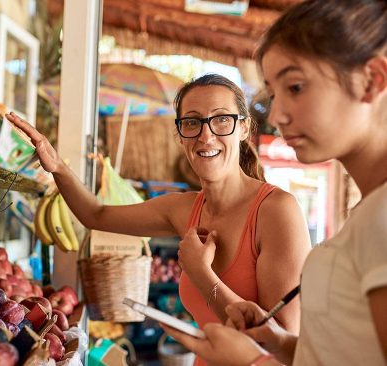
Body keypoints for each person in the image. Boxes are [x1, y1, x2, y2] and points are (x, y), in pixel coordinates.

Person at [7, 73, 310, 365]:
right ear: (180, 134)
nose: (206, 135)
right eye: (192, 122)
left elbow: (279, 347)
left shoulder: (276, 211)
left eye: (221, 120)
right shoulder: (182, 210)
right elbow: (95, 215)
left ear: (243, 128)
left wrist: (201, 274)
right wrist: (57, 166)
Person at [160, 1, 387, 365]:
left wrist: (254, 362)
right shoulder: (368, 211)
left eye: (296, 87)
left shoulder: (381, 218)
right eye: (274, 93)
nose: (278, 115)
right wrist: (283, 346)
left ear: (372, 80)